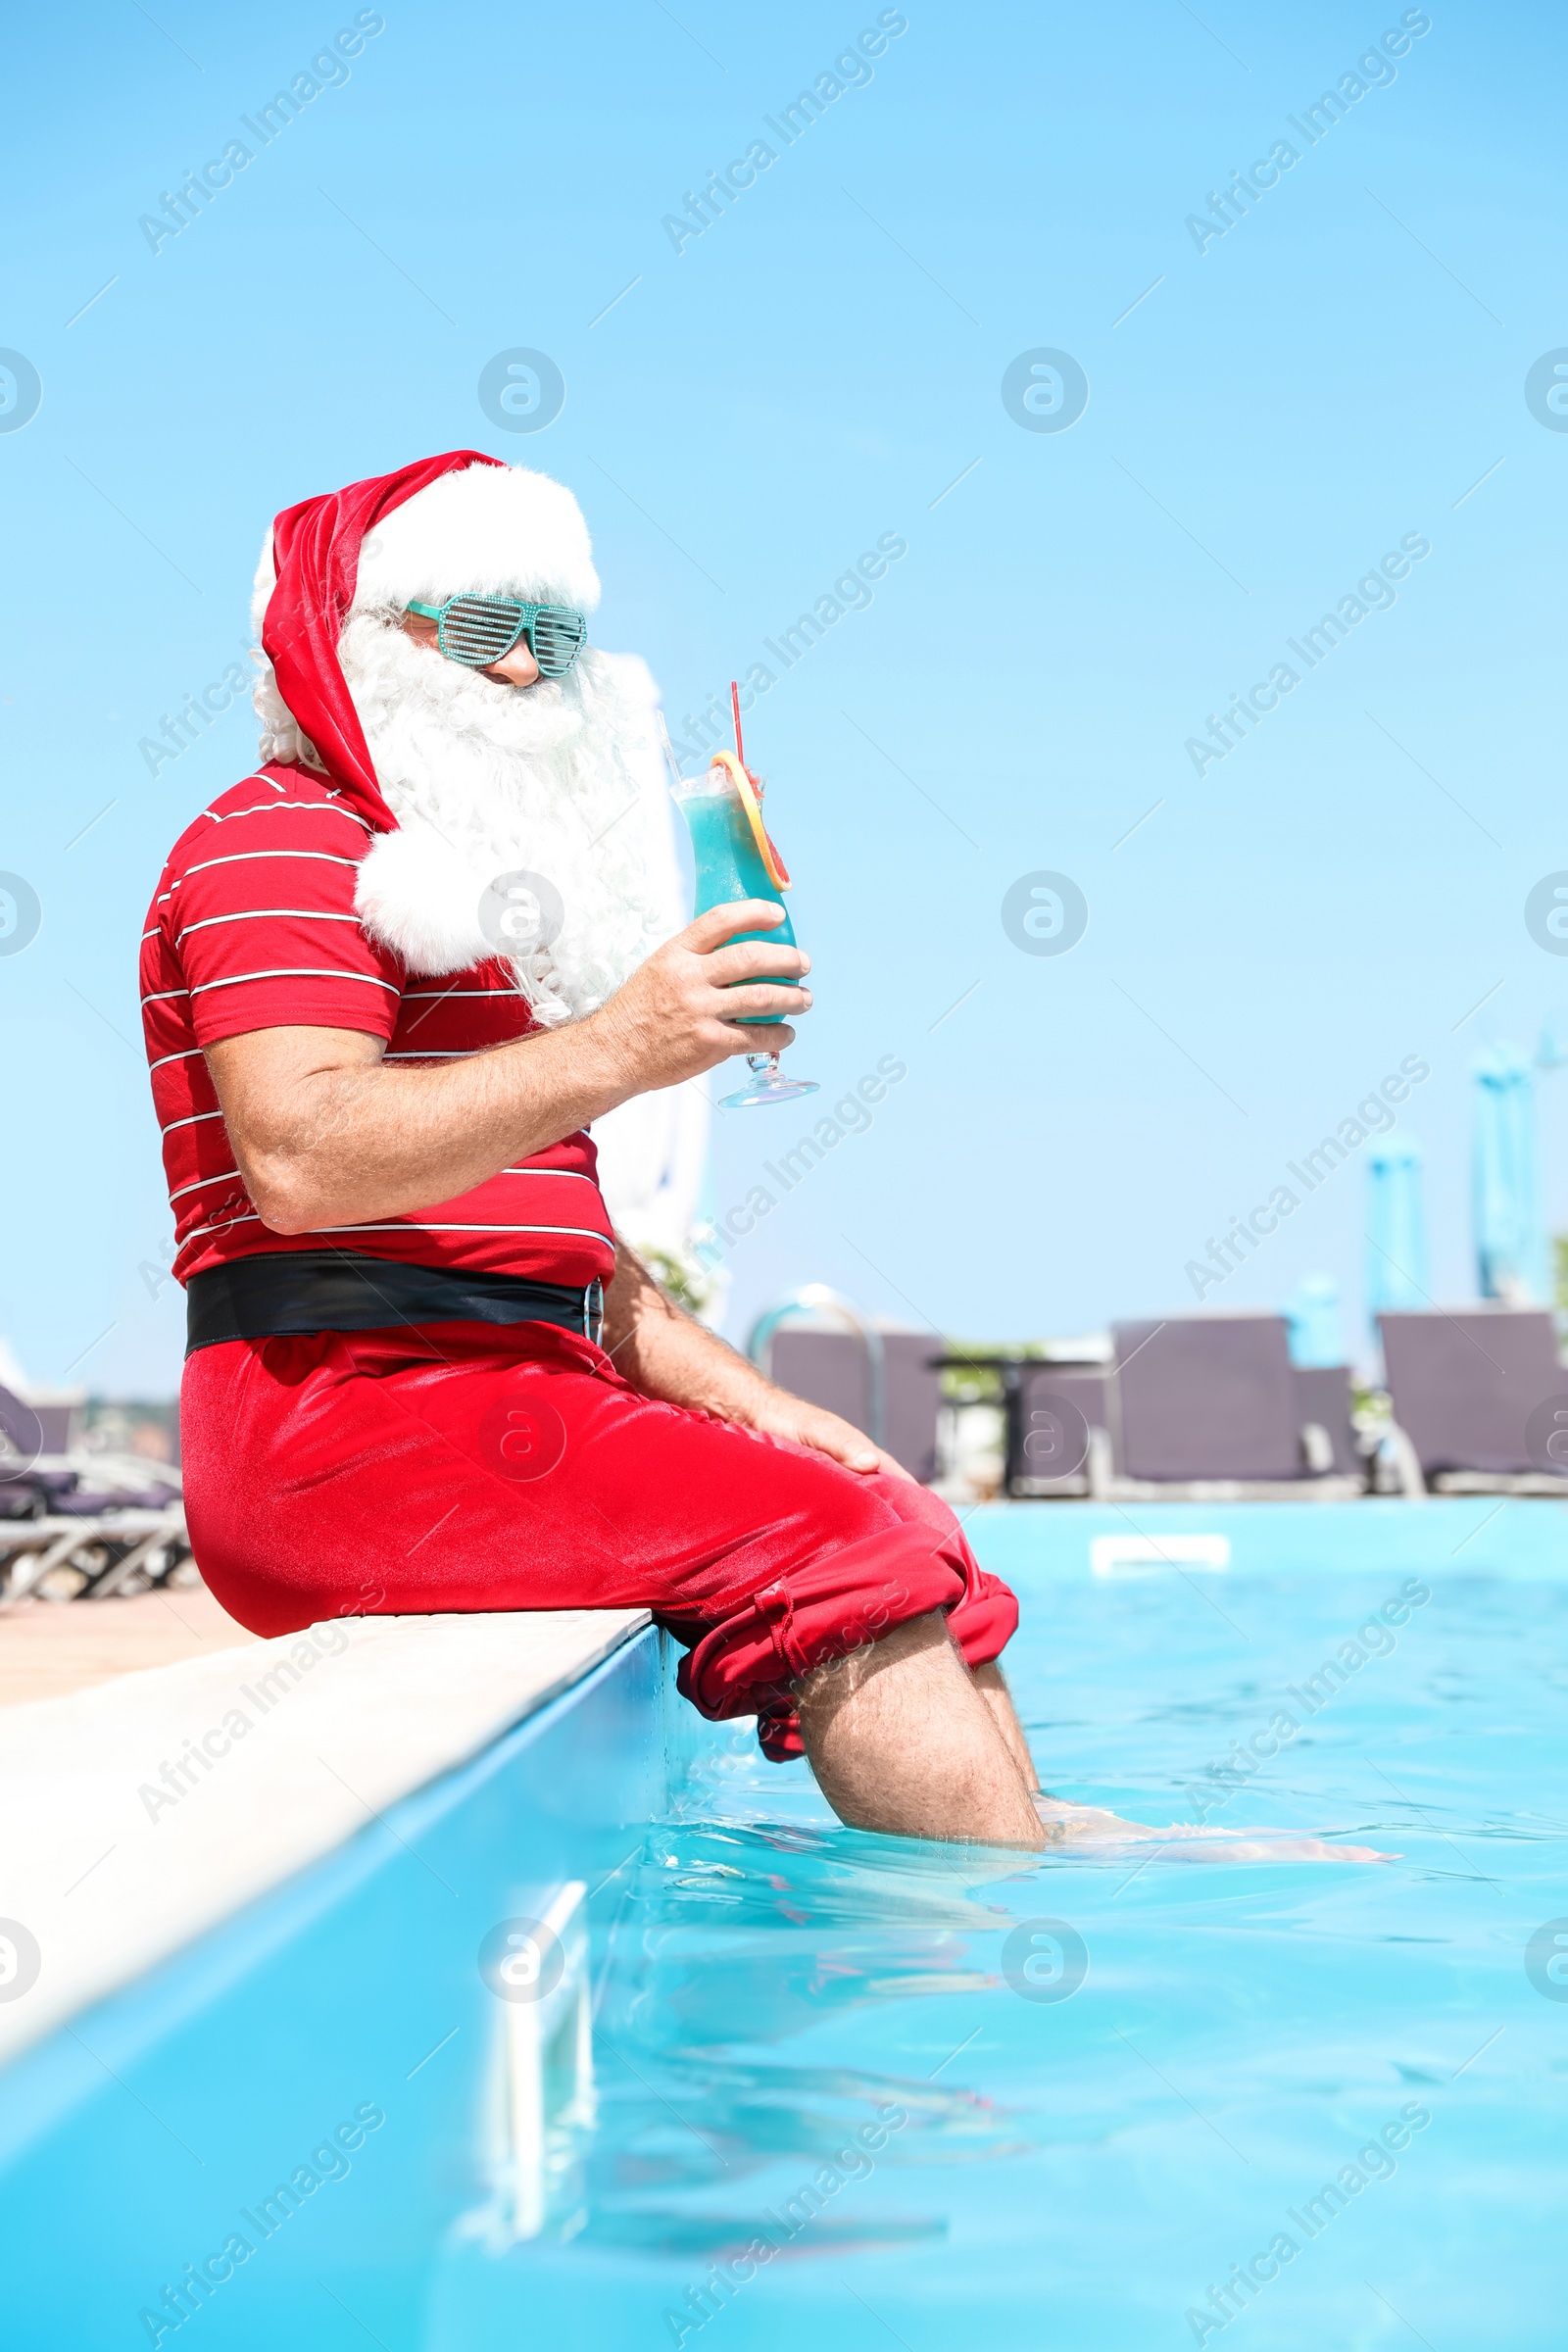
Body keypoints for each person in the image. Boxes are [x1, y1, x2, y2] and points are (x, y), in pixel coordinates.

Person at [141, 450, 1047, 1851]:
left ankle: (1039, 1861)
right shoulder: (280, 847)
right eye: (489, 630)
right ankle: (985, 1963)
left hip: (497, 1389)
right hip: (344, 1420)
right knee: (839, 1546)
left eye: (556, 638)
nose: (527, 677)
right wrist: (626, 1042)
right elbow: (304, 1158)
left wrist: (756, 1401)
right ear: (351, 644)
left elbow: (567, 1255)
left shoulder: (475, 922)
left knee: (895, 1510)